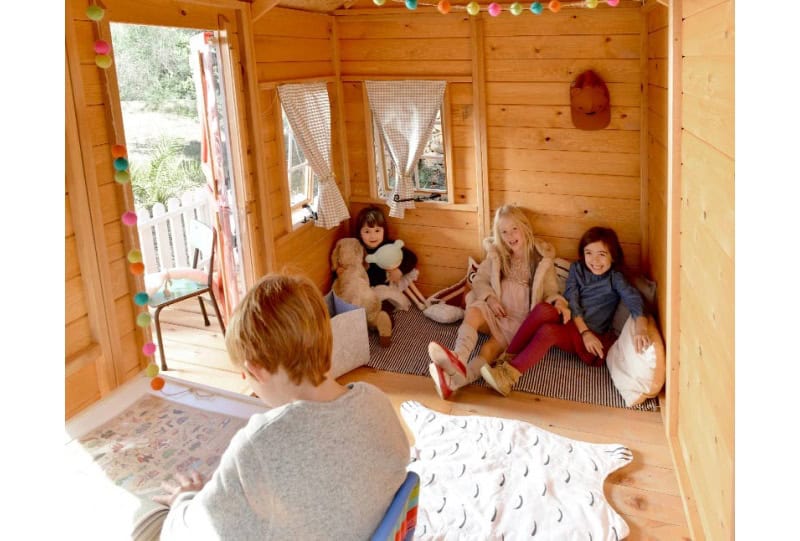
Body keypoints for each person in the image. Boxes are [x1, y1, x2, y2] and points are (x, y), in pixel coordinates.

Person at [155, 273, 410, 540]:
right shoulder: (375, 399)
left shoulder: (257, 445)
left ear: (257, 370)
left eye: (246, 374)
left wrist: (185, 500)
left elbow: (193, 532)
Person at [480, 226, 651, 397]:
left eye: (602, 254)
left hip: (592, 338)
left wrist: (641, 329)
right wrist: (573, 319)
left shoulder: (615, 278)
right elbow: (572, 299)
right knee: (542, 309)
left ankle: (507, 378)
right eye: (588, 253)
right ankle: (507, 359)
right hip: (573, 322)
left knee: (547, 332)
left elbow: (634, 299)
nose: (594, 260)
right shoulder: (577, 269)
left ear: (613, 256)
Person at [427, 204, 568, 400]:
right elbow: (480, 280)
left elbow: (552, 292)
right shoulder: (497, 255)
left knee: (489, 350)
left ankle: (454, 382)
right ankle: (458, 356)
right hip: (495, 311)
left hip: (518, 322)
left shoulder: (541, 260)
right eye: (504, 232)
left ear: (525, 227)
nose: (510, 236)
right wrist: (490, 298)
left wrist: (558, 302)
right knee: (474, 310)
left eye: (514, 229)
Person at [355, 205, 427, 310]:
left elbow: (411, 257)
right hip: (370, 289)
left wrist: (399, 271)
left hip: (389, 287)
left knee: (387, 302)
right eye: (367, 232)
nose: (372, 236)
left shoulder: (389, 246)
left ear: (384, 230)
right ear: (360, 233)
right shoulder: (359, 249)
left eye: (377, 230)